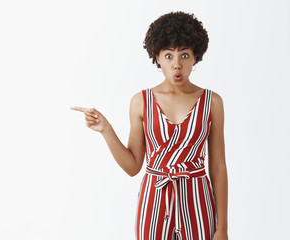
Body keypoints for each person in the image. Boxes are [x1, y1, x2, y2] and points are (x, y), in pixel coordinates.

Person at [70, 11, 228, 240]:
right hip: (154, 201)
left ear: (196, 57)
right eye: (168, 56)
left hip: (198, 201)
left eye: (184, 55)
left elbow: (218, 167)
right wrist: (106, 130)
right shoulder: (141, 102)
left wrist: (222, 228)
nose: (176, 65)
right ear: (157, 57)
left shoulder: (212, 102)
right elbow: (133, 166)